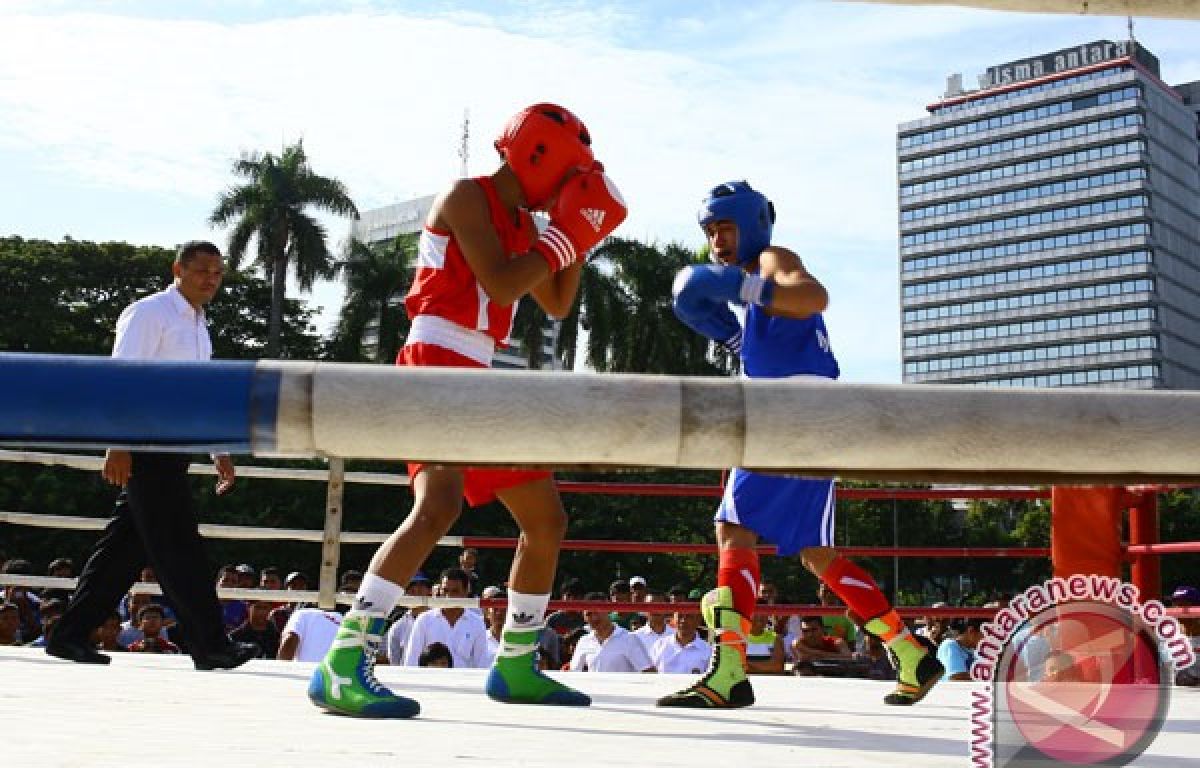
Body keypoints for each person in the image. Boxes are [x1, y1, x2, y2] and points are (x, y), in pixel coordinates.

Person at [308, 102, 626, 718]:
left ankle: (514, 664)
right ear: (537, 156)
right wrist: (566, 232)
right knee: (438, 506)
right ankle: (344, 659)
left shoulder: (531, 226)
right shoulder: (465, 196)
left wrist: (578, 234)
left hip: (478, 370)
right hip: (434, 354)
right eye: (565, 178)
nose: (563, 191)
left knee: (545, 518)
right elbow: (504, 283)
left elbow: (557, 303)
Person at [661, 181, 942, 709]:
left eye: (725, 227)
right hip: (814, 418)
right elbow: (772, 346)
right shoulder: (754, 290)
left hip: (787, 418)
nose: (717, 241)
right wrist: (732, 331)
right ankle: (910, 652)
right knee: (817, 555)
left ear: (751, 225)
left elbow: (814, 296)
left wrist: (746, 292)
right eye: (709, 231)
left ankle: (728, 673)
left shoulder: (773, 259)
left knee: (733, 531)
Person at [47, 241, 258, 671]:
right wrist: (116, 443)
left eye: (218, 273)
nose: (211, 279)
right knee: (181, 548)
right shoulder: (149, 314)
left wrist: (218, 447)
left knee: (122, 551)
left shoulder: (200, 323)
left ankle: (68, 635)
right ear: (177, 269)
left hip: (174, 448)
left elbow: (200, 392)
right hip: (144, 446)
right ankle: (211, 644)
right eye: (203, 271)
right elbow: (119, 378)